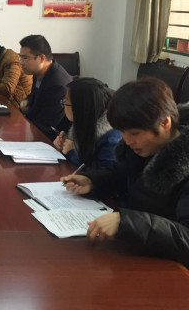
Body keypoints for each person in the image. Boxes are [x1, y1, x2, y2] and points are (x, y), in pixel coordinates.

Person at [61, 77, 189, 267]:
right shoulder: (142, 148)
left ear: (165, 123)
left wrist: (127, 222)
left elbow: (185, 238)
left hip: (172, 269)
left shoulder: (183, 163)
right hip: (138, 251)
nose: (127, 141)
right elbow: (121, 175)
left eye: (135, 133)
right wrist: (92, 181)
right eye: (122, 132)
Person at [53, 77, 121, 170]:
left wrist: (72, 153)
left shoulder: (111, 139)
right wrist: (65, 143)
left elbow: (103, 173)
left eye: (65, 102)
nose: (63, 105)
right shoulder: (87, 119)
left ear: (80, 107)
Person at [18, 34, 72, 140]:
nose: (21, 63)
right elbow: (33, 101)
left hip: (53, 140)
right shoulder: (40, 72)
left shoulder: (57, 84)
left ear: (41, 58)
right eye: (20, 57)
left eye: (25, 58)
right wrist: (26, 102)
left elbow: (46, 125)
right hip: (36, 131)